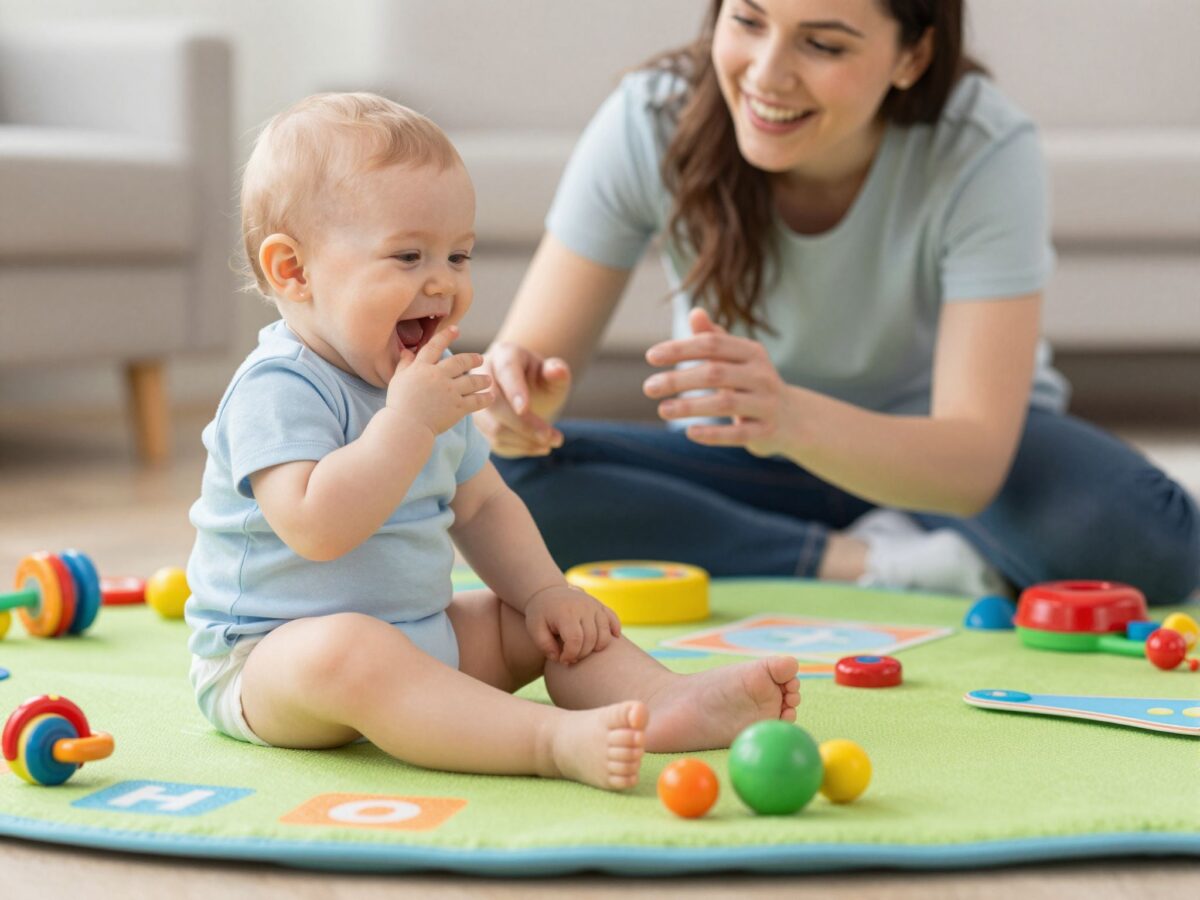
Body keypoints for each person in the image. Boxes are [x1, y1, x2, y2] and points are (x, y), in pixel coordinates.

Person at [477, 0, 1199, 605]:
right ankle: (863, 558)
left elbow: (974, 460)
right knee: (488, 479)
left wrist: (791, 415)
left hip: (934, 458)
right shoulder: (651, 119)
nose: (766, 75)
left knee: (1150, 543)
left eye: (822, 44)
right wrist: (513, 407)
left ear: (911, 56)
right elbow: (527, 382)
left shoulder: (981, 145)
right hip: (750, 451)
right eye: (749, 21)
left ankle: (867, 532)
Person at [184, 92, 801, 791]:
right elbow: (317, 528)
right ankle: (548, 741)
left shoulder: (427, 384)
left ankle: (660, 702)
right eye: (409, 255)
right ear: (293, 270)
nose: (443, 282)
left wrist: (543, 594)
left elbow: (482, 507)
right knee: (350, 651)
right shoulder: (279, 388)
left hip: (422, 633)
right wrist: (407, 425)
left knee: (542, 623)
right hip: (277, 666)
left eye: (459, 255)